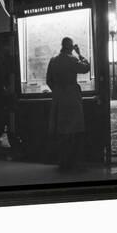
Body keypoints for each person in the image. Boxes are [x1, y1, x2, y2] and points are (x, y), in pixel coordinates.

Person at [46, 37, 91, 171]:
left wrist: (57, 91)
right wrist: (80, 53)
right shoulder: (72, 59)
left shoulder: (53, 60)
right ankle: (71, 161)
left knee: (61, 131)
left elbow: (48, 80)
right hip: (72, 98)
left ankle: (62, 160)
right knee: (72, 131)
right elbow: (86, 68)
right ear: (70, 47)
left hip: (59, 99)